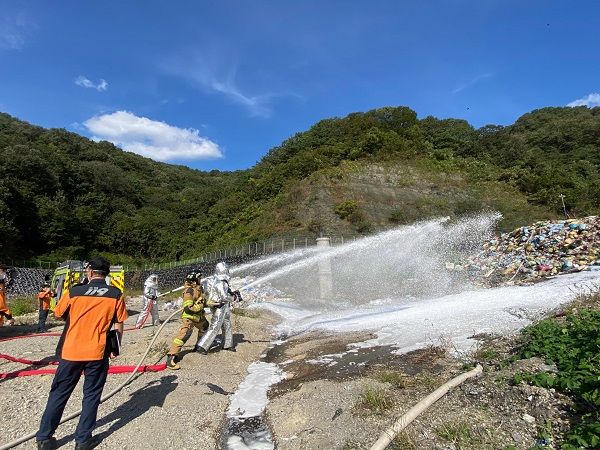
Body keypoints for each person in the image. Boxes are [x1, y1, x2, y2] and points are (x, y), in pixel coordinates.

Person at [36, 256, 128, 450]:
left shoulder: (74, 291)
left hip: (71, 352)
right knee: (92, 395)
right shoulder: (115, 294)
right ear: (106, 274)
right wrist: (115, 348)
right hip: (98, 352)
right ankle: (83, 440)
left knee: (59, 394)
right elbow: (119, 324)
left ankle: (44, 438)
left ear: (90, 272)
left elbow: (58, 313)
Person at [166, 271, 208, 370]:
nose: (200, 280)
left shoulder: (198, 289)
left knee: (205, 326)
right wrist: (202, 305)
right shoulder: (189, 291)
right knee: (184, 335)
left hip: (198, 317)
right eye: (199, 279)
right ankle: (171, 356)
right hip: (189, 318)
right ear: (194, 280)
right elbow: (188, 308)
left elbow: (202, 300)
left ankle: (199, 346)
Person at [196, 262, 240, 354]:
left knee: (227, 324)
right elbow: (224, 297)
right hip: (220, 306)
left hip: (220, 305)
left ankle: (228, 345)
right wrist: (234, 298)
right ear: (224, 270)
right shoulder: (221, 282)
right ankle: (202, 346)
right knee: (215, 326)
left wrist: (231, 293)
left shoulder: (214, 280)